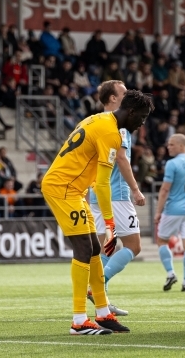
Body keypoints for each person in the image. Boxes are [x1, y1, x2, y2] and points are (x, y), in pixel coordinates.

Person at [41, 89, 152, 335]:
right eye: (142, 117)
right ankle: (79, 320)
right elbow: (103, 183)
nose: (142, 123)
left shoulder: (97, 119)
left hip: (74, 189)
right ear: (130, 111)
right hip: (63, 188)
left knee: (92, 247)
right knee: (83, 247)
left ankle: (102, 313)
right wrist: (110, 223)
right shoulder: (111, 133)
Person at [88, 80, 148, 316]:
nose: (128, 95)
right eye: (123, 92)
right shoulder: (120, 124)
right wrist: (135, 189)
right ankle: (99, 286)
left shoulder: (96, 122)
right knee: (134, 246)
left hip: (97, 194)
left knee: (108, 246)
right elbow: (121, 159)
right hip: (117, 194)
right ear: (112, 98)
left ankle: (102, 300)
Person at [154, 134, 185, 292]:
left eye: (172, 144)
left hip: (173, 209)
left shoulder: (172, 164)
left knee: (162, 240)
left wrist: (158, 212)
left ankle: (170, 273)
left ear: (182, 146)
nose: (168, 147)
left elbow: (165, 190)